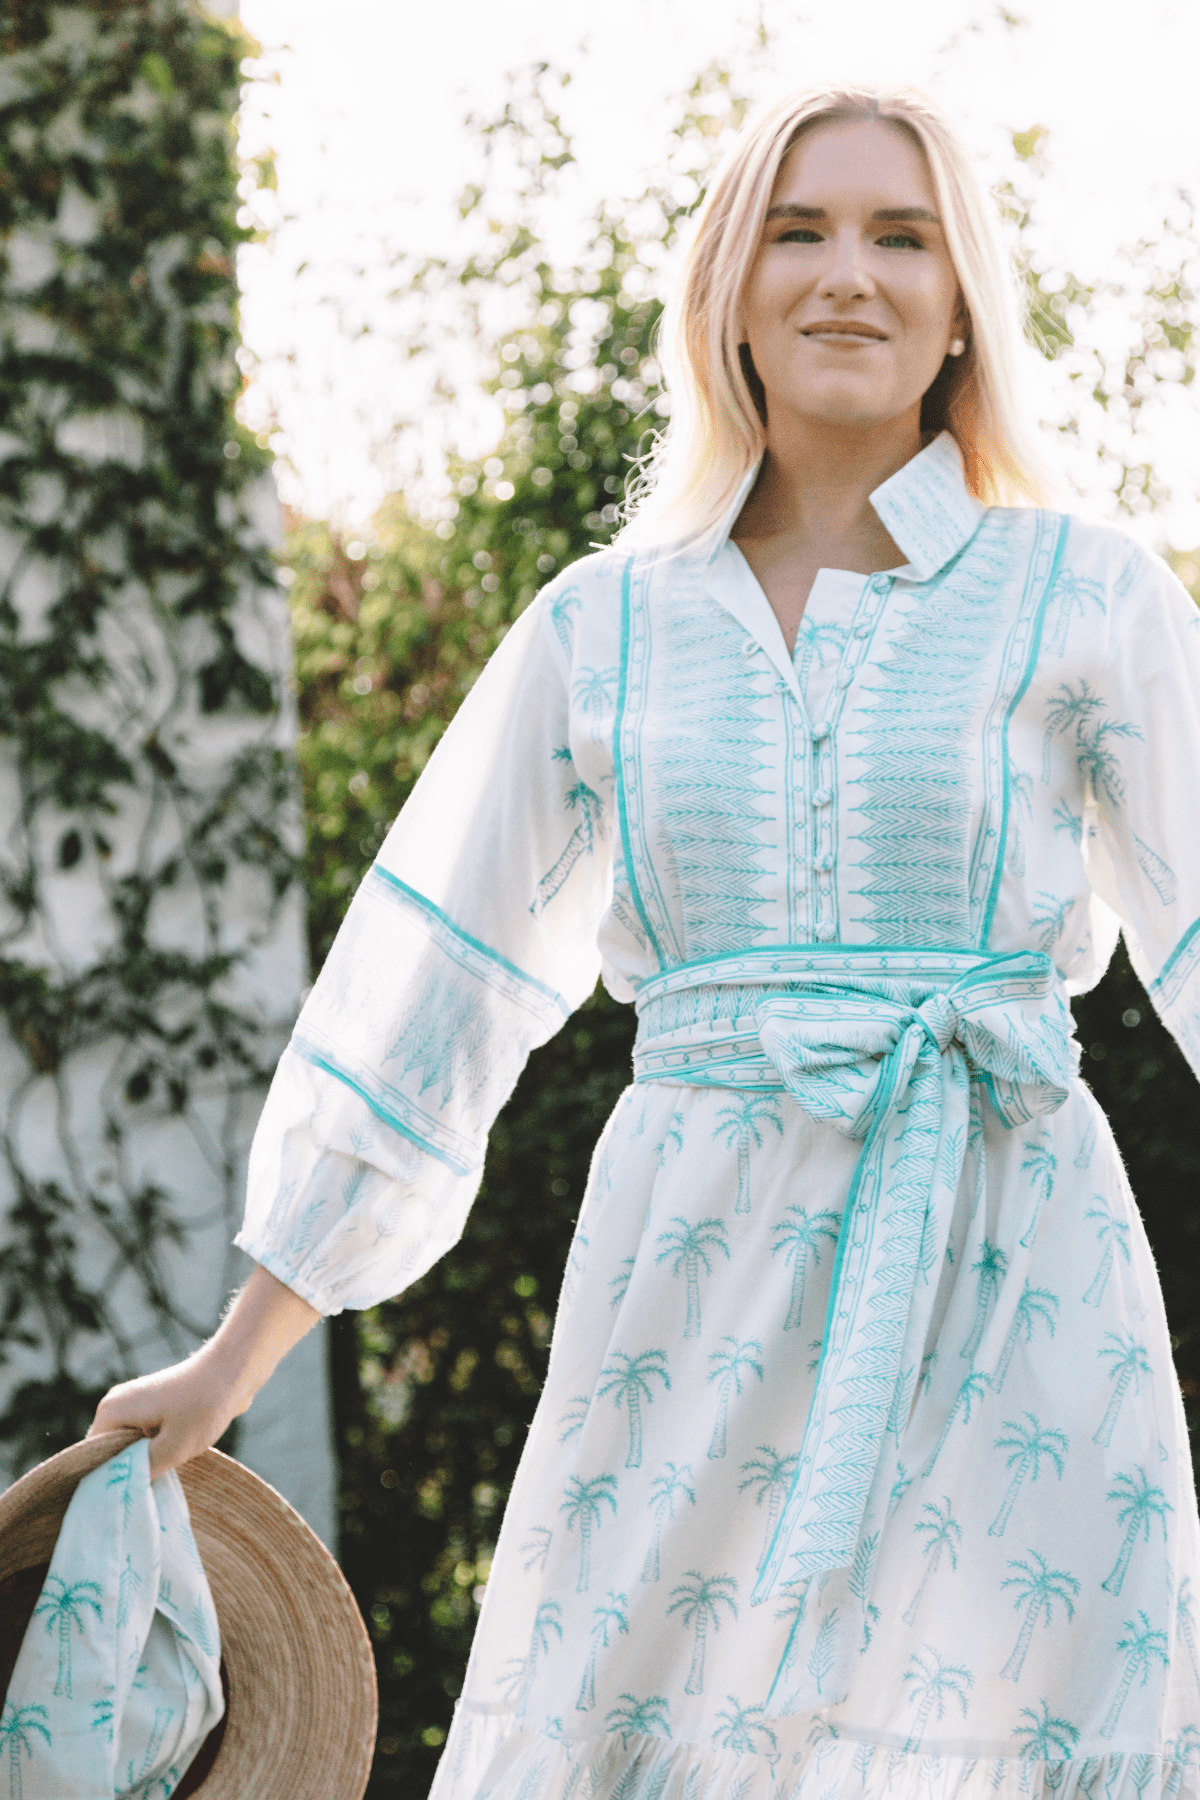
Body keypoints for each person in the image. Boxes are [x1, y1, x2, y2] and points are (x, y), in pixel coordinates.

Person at [91, 84, 1200, 1800]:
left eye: (903, 236)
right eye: (798, 230)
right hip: (694, 1281)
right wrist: (234, 1360)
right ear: (729, 292)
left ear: (962, 301)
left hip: (1012, 1275)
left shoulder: (1091, 597)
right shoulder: (600, 628)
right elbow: (439, 991)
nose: (850, 273)